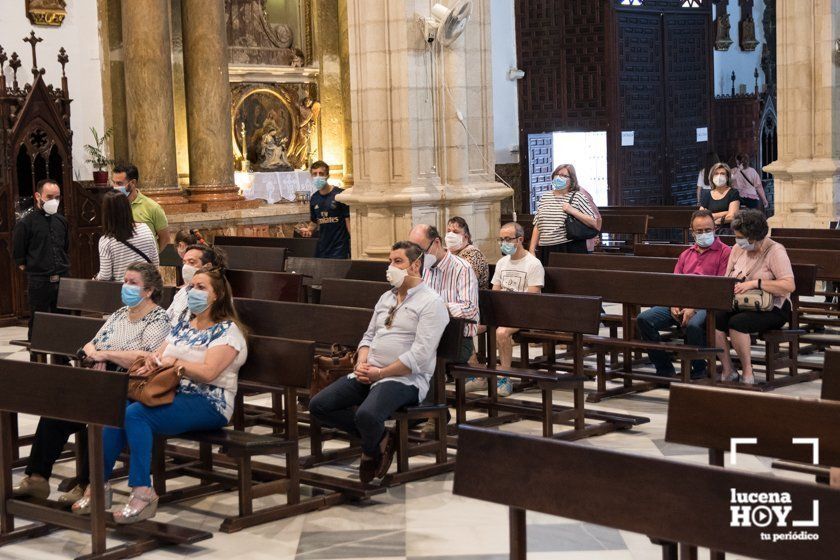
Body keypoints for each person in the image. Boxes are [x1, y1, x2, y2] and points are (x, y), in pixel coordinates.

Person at [74, 266, 248, 522]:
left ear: (217, 295)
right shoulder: (183, 326)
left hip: (210, 402)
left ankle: (143, 491)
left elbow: (210, 373)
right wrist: (151, 362)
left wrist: (176, 365)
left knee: (136, 415)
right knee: (115, 411)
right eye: (192, 287)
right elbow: (159, 355)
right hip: (171, 393)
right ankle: (98, 485)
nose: (193, 292)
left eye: (201, 288)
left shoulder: (227, 332)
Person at [13, 263, 170, 508]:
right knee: (58, 411)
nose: (125, 287)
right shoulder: (120, 314)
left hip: (129, 385)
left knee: (96, 421)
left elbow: (146, 356)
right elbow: (91, 343)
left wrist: (105, 355)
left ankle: (87, 484)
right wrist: (94, 354)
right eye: (125, 281)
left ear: (148, 291)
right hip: (100, 380)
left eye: (132, 283)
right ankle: (37, 477)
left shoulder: (158, 318)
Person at [308, 241, 449, 484]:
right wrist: (361, 363)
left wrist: (380, 373)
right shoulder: (386, 297)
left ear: (415, 266)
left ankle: (371, 451)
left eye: (397, 262)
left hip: (404, 379)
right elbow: (368, 336)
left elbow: (419, 356)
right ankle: (381, 438)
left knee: (367, 414)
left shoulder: (431, 303)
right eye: (389, 261)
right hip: (369, 372)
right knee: (319, 405)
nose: (390, 267)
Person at [635, 210, 731, 379]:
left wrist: (693, 307)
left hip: (708, 305)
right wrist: (674, 304)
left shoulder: (724, 253)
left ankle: (699, 368)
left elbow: (719, 287)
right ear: (692, 232)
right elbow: (675, 285)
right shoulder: (686, 254)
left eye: (707, 230)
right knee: (644, 319)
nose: (704, 234)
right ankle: (664, 368)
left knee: (694, 324)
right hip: (681, 302)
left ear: (715, 229)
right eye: (699, 231)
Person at [716, 210, 795, 385]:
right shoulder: (737, 249)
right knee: (715, 319)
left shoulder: (775, 251)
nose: (738, 240)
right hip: (742, 302)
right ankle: (728, 369)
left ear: (754, 236)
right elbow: (726, 276)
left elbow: (789, 285)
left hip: (773, 306)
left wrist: (755, 284)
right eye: (737, 236)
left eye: (741, 236)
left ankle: (747, 371)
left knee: (737, 323)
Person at [465, 223, 544, 396]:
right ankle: (479, 374)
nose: (504, 243)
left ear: (520, 239)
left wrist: (508, 312)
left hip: (524, 313)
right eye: (501, 239)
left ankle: (504, 377)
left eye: (508, 239)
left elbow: (531, 299)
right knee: (466, 327)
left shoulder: (533, 264)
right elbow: (495, 293)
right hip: (502, 312)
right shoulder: (502, 263)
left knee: (501, 333)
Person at [408, 224, 479, 365]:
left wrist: (439, 307)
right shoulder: (421, 269)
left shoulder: (462, 268)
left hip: (455, 338)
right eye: (414, 253)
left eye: (421, 251)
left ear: (437, 242)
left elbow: (471, 309)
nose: (418, 258)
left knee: (417, 356)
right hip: (425, 334)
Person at [12, 179, 70, 340]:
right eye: (49, 196)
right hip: (39, 281)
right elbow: (19, 257)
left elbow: (65, 248)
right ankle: (36, 361)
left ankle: (62, 360)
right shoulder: (25, 223)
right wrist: (37, 269)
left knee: (64, 321)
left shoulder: (61, 221)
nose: (54, 201)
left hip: (62, 278)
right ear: (38, 196)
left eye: (57, 197)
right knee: (39, 322)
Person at [529, 163, 599, 262]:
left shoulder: (577, 196)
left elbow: (594, 222)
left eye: (564, 176)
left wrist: (572, 211)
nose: (559, 177)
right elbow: (537, 224)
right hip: (545, 246)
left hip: (568, 246)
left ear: (572, 180)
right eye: (557, 174)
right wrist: (532, 249)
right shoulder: (545, 197)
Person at [95, 192, 159, 281]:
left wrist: (95, 278)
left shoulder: (106, 241)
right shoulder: (145, 228)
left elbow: (105, 275)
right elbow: (155, 262)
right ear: (128, 208)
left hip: (124, 289)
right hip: (146, 288)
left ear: (106, 213)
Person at [111, 163, 170, 249]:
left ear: (133, 183)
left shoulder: (152, 207)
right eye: (114, 183)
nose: (115, 187)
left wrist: (151, 257)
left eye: (119, 183)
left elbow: (164, 238)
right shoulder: (111, 206)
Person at [299, 161, 351, 259]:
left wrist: (354, 241)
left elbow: (348, 221)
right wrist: (309, 230)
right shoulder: (314, 198)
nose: (318, 177)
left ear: (327, 175)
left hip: (339, 248)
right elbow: (314, 221)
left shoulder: (340, 195)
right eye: (315, 174)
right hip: (322, 248)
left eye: (321, 174)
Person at [167, 243, 228, 327]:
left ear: (207, 266)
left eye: (192, 262)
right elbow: (167, 318)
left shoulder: (213, 293)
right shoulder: (182, 292)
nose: (185, 267)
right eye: (184, 263)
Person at [445, 217, 489, 289]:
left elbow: (465, 282)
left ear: (466, 236)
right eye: (448, 231)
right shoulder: (448, 253)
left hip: (475, 297)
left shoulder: (474, 254)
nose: (450, 235)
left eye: (455, 232)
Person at [699, 162, 740, 232]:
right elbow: (701, 215)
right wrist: (725, 213)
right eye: (716, 173)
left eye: (722, 174)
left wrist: (714, 219)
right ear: (712, 177)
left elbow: (732, 216)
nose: (719, 176)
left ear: (727, 177)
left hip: (727, 231)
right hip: (710, 231)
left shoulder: (733, 193)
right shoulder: (707, 194)